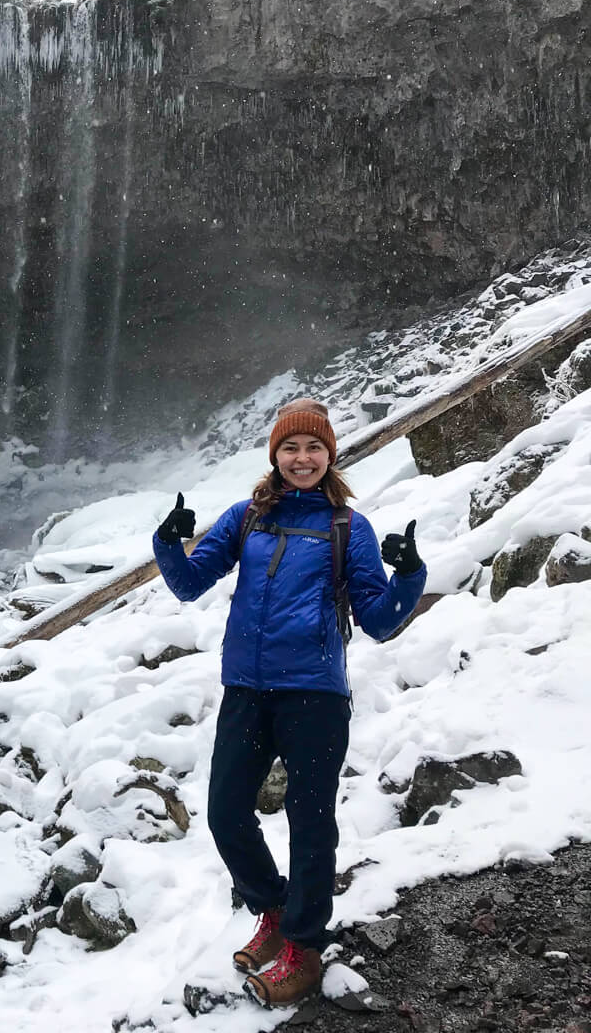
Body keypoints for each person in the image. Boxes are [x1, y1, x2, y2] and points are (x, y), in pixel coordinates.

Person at [152, 398, 426, 1008]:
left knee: (310, 822)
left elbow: (379, 622)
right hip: (246, 691)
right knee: (225, 813)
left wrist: (408, 576)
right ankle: (273, 910)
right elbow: (190, 583)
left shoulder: (347, 527)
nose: (303, 459)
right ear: (275, 455)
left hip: (314, 695)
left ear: (330, 456)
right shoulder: (247, 516)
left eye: (314, 448)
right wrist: (169, 543)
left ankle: (303, 947)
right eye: (291, 448)